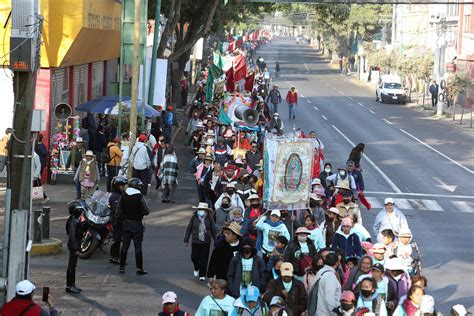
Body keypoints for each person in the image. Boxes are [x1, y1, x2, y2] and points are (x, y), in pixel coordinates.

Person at [118, 178, 150, 274]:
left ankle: (122, 267)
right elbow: (146, 210)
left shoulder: (123, 196)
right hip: (137, 224)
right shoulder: (139, 196)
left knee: (124, 246)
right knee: (138, 247)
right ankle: (139, 268)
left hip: (126, 224)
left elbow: (119, 211)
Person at [184, 202, 217, 281]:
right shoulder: (194, 217)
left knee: (204, 259)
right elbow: (189, 229)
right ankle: (196, 267)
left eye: (202, 210)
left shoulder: (209, 218)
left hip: (206, 241)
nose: (201, 211)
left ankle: (202, 274)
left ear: (206, 211)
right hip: (195, 241)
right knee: (194, 257)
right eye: (200, 209)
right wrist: (186, 240)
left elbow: (213, 230)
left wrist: (216, 240)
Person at [66, 200, 85, 294]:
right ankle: (70, 286)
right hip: (74, 246)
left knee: (73, 266)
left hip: (74, 245)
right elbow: (72, 235)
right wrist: (76, 248)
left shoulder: (74, 219)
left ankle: (71, 285)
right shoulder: (73, 221)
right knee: (72, 266)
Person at [109, 176, 128, 265]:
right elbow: (116, 210)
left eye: (124, 186)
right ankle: (114, 257)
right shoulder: (115, 197)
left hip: (119, 221)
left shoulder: (120, 195)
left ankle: (116, 257)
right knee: (117, 240)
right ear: (116, 186)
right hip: (117, 221)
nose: (123, 187)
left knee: (118, 239)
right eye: (121, 186)